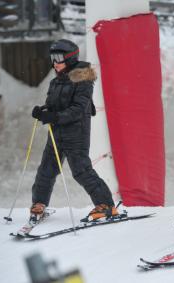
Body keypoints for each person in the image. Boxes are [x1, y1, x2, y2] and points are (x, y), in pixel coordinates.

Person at [30, 39, 117, 223]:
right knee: (46, 169)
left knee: (81, 171)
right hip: (56, 133)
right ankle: (39, 203)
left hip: (76, 134)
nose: (55, 62)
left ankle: (106, 205)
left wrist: (54, 117)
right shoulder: (56, 82)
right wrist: (43, 111)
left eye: (59, 58)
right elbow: (54, 105)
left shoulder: (82, 80)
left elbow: (78, 109)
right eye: (52, 58)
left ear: (70, 58)